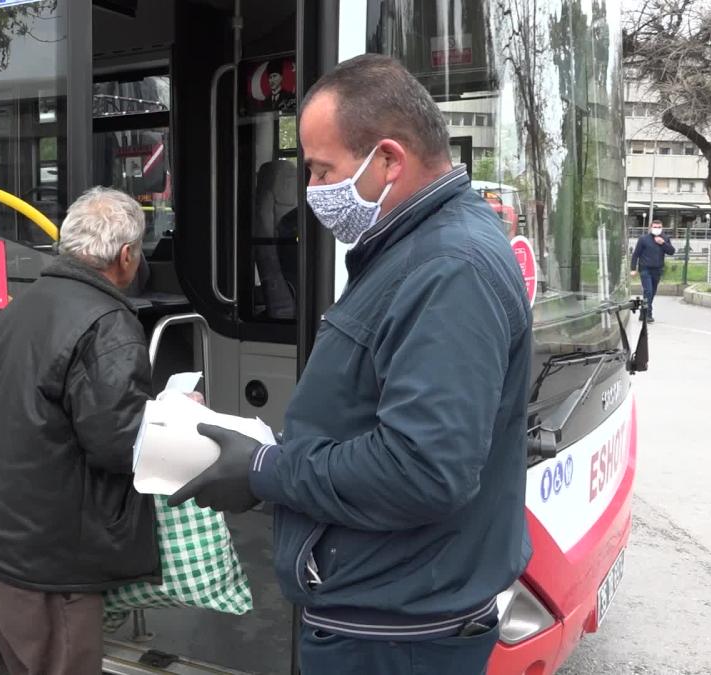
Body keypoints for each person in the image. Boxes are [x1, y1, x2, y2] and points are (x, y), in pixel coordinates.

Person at [169, 54, 533, 675]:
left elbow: (423, 469)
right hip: (389, 613)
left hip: (395, 635)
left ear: (388, 159)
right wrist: (251, 444)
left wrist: (264, 468)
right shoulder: (417, 250)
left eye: (321, 170)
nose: (311, 192)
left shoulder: (449, 270)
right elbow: (367, 416)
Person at [0, 186, 162, 675]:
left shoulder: (23, 304)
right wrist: (170, 414)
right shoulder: (108, 323)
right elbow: (119, 444)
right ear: (127, 256)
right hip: (48, 567)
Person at [631, 219, 674, 323]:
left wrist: (663, 243)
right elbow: (636, 254)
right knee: (648, 291)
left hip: (657, 269)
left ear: (662, 228)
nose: (657, 229)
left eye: (659, 227)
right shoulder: (643, 239)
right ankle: (647, 314)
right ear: (650, 228)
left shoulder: (665, 238)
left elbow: (671, 251)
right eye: (655, 227)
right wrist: (633, 269)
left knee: (652, 293)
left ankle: (643, 312)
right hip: (645, 269)